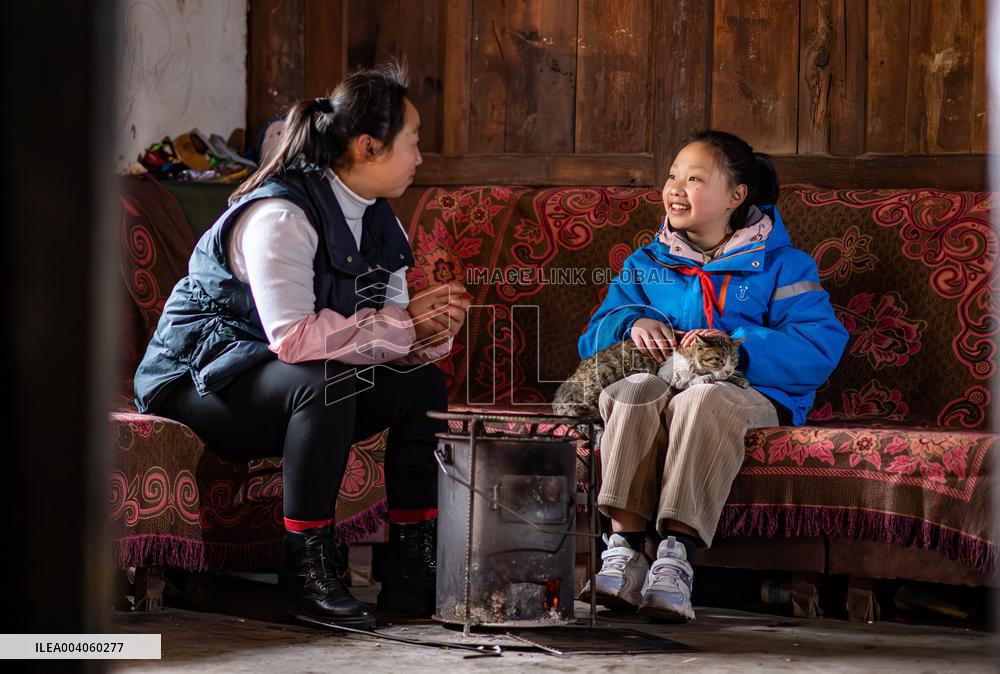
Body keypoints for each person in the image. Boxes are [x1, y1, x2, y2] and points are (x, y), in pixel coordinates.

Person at [133, 61, 471, 630]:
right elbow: (293, 338)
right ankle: (307, 572)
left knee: (423, 386)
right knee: (326, 380)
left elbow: (381, 330)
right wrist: (403, 324)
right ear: (368, 146)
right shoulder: (280, 213)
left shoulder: (381, 222)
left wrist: (426, 332)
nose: (419, 158)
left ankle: (412, 570)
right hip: (199, 380)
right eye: (412, 142)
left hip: (276, 377)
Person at [576, 130, 848, 621]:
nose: (676, 187)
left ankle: (676, 559)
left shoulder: (784, 265)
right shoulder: (646, 263)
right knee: (632, 390)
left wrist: (735, 351)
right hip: (662, 382)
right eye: (672, 176)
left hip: (748, 392)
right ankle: (623, 549)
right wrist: (632, 322)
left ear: (736, 196)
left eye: (695, 178)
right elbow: (593, 335)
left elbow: (820, 345)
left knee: (700, 400)